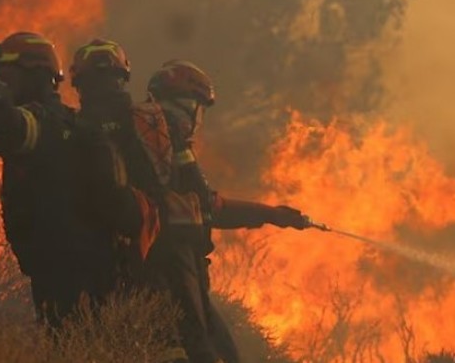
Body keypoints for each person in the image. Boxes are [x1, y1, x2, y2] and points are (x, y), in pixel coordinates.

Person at [70, 40, 310, 363]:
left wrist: (271, 214)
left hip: (153, 270)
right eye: (198, 110)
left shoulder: (128, 135)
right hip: (171, 271)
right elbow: (208, 206)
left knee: (217, 350)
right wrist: (271, 213)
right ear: (187, 105)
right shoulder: (165, 140)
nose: (197, 121)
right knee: (204, 353)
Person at [0, 32, 158, 329]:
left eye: (5, 77)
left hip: (73, 274)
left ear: (35, 75)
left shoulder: (45, 126)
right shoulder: (67, 123)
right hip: (72, 269)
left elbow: (5, 121)